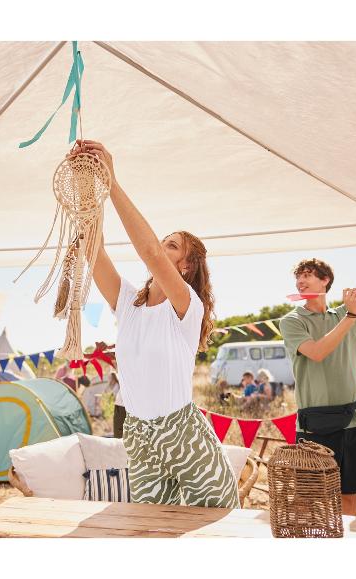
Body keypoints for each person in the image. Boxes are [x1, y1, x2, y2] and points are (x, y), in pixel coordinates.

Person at [83, 139, 239, 508]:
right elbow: (94, 251)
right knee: (152, 525)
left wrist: (112, 183)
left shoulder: (186, 306)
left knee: (217, 521)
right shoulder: (129, 304)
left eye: (172, 246)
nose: (161, 248)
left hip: (181, 430)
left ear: (185, 267)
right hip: (138, 432)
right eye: (165, 243)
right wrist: (88, 191)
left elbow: (149, 252)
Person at [279, 241, 356, 516]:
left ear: (325, 279)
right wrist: (352, 315)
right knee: (308, 498)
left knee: (349, 496)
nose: (300, 280)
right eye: (298, 277)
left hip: (354, 420)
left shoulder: (346, 312)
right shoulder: (292, 321)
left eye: (307, 274)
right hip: (314, 425)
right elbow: (317, 352)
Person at [108, 372, 126, 439]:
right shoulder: (116, 385)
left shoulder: (117, 385)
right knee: (119, 431)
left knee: (119, 431)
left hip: (122, 406)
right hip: (120, 405)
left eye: (110, 378)